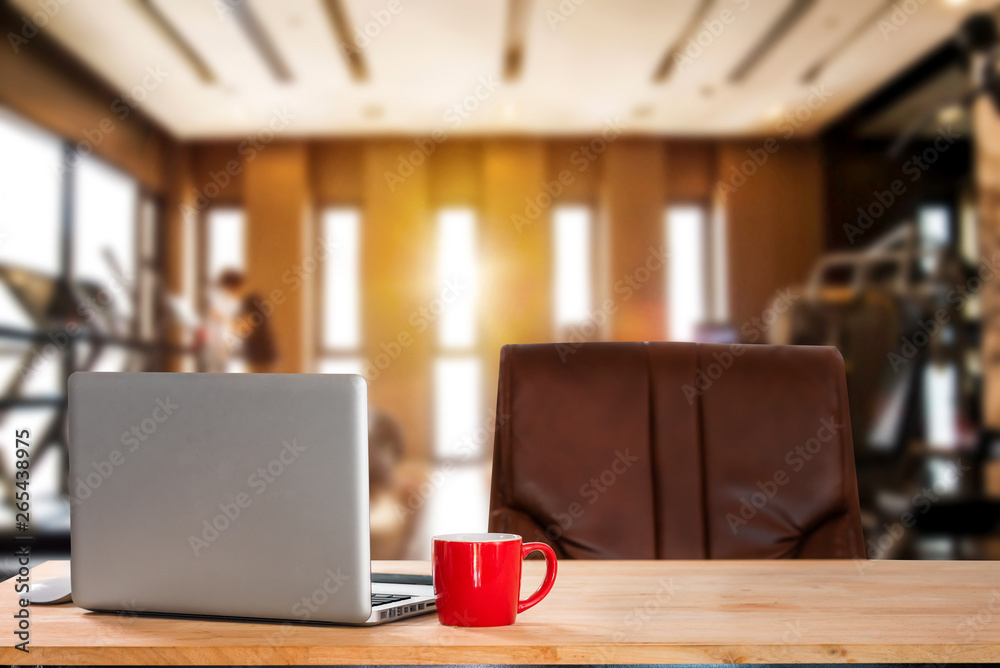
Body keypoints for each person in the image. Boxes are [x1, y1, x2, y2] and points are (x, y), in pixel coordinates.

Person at [210, 269, 279, 373]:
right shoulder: (245, 303)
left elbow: (245, 329)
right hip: (256, 356)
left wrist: (222, 319)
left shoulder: (250, 301)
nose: (226, 295)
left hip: (258, 357)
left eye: (225, 291)